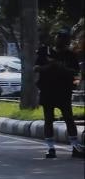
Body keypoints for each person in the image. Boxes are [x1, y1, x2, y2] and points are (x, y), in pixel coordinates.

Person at [35, 30, 83, 158]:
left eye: (64, 39)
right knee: (48, 119)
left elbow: (76, 73)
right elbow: (36, 68)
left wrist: (62, 68)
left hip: (64, 91)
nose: (60, 40)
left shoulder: (70, 55)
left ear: (67, 41)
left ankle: (74, 146)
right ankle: (50, 148)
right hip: (47, 90)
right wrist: (50, 65)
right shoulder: (45, 52)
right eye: (59, 37)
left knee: (69, 118)